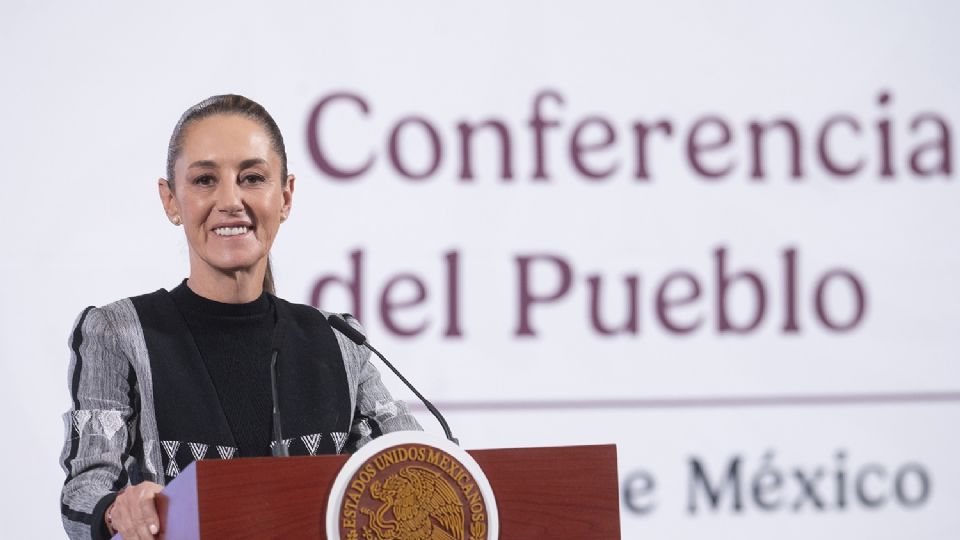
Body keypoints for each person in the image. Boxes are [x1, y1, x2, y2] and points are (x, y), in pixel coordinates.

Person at [59, 95, 422, 540]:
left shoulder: (339, 340)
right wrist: (119, 510)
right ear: (171, 200)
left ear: (285, 196)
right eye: (205, 180)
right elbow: (84, 491)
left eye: (252, 178)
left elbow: (419, 463)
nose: (230, 200)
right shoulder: (119, 332)